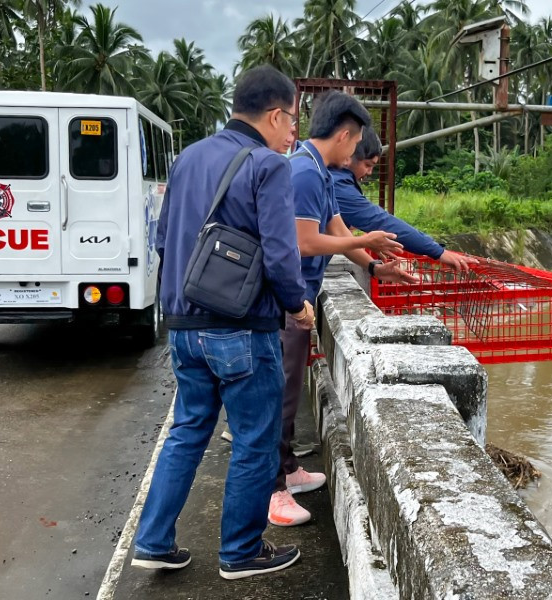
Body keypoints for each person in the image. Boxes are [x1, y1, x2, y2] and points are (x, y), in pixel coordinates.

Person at [132, 65, 313, 580]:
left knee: (187, 431)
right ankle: (240, 552)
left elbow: (164, 239)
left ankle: (153, 541)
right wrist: (297, 305)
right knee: (256, 438)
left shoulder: (187, 157)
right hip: (240, 328)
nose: (293, 133)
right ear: (275, 115)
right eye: (292, 121)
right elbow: (281, 255)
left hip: (183, 324)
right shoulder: (268, 165)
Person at [269, 90, 417, 527]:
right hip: (285, 301)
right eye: (357, 146)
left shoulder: (320, 171)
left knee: (291, 389)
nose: (358, 154)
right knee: (279, 394)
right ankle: (274, 491)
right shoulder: (304, 174)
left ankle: (288, 468)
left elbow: (333, 226)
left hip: (300, 296)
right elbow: (305, 241)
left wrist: (374, 265)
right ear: (346, 134)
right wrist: (364, 240)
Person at [332, 127, 479, 272]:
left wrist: (374, 267)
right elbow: (379, 220)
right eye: (368, 165)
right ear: (348, 152)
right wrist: (438, 252)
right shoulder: (335, 182)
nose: (369, 173)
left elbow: (339, 236)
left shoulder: (328, 174)